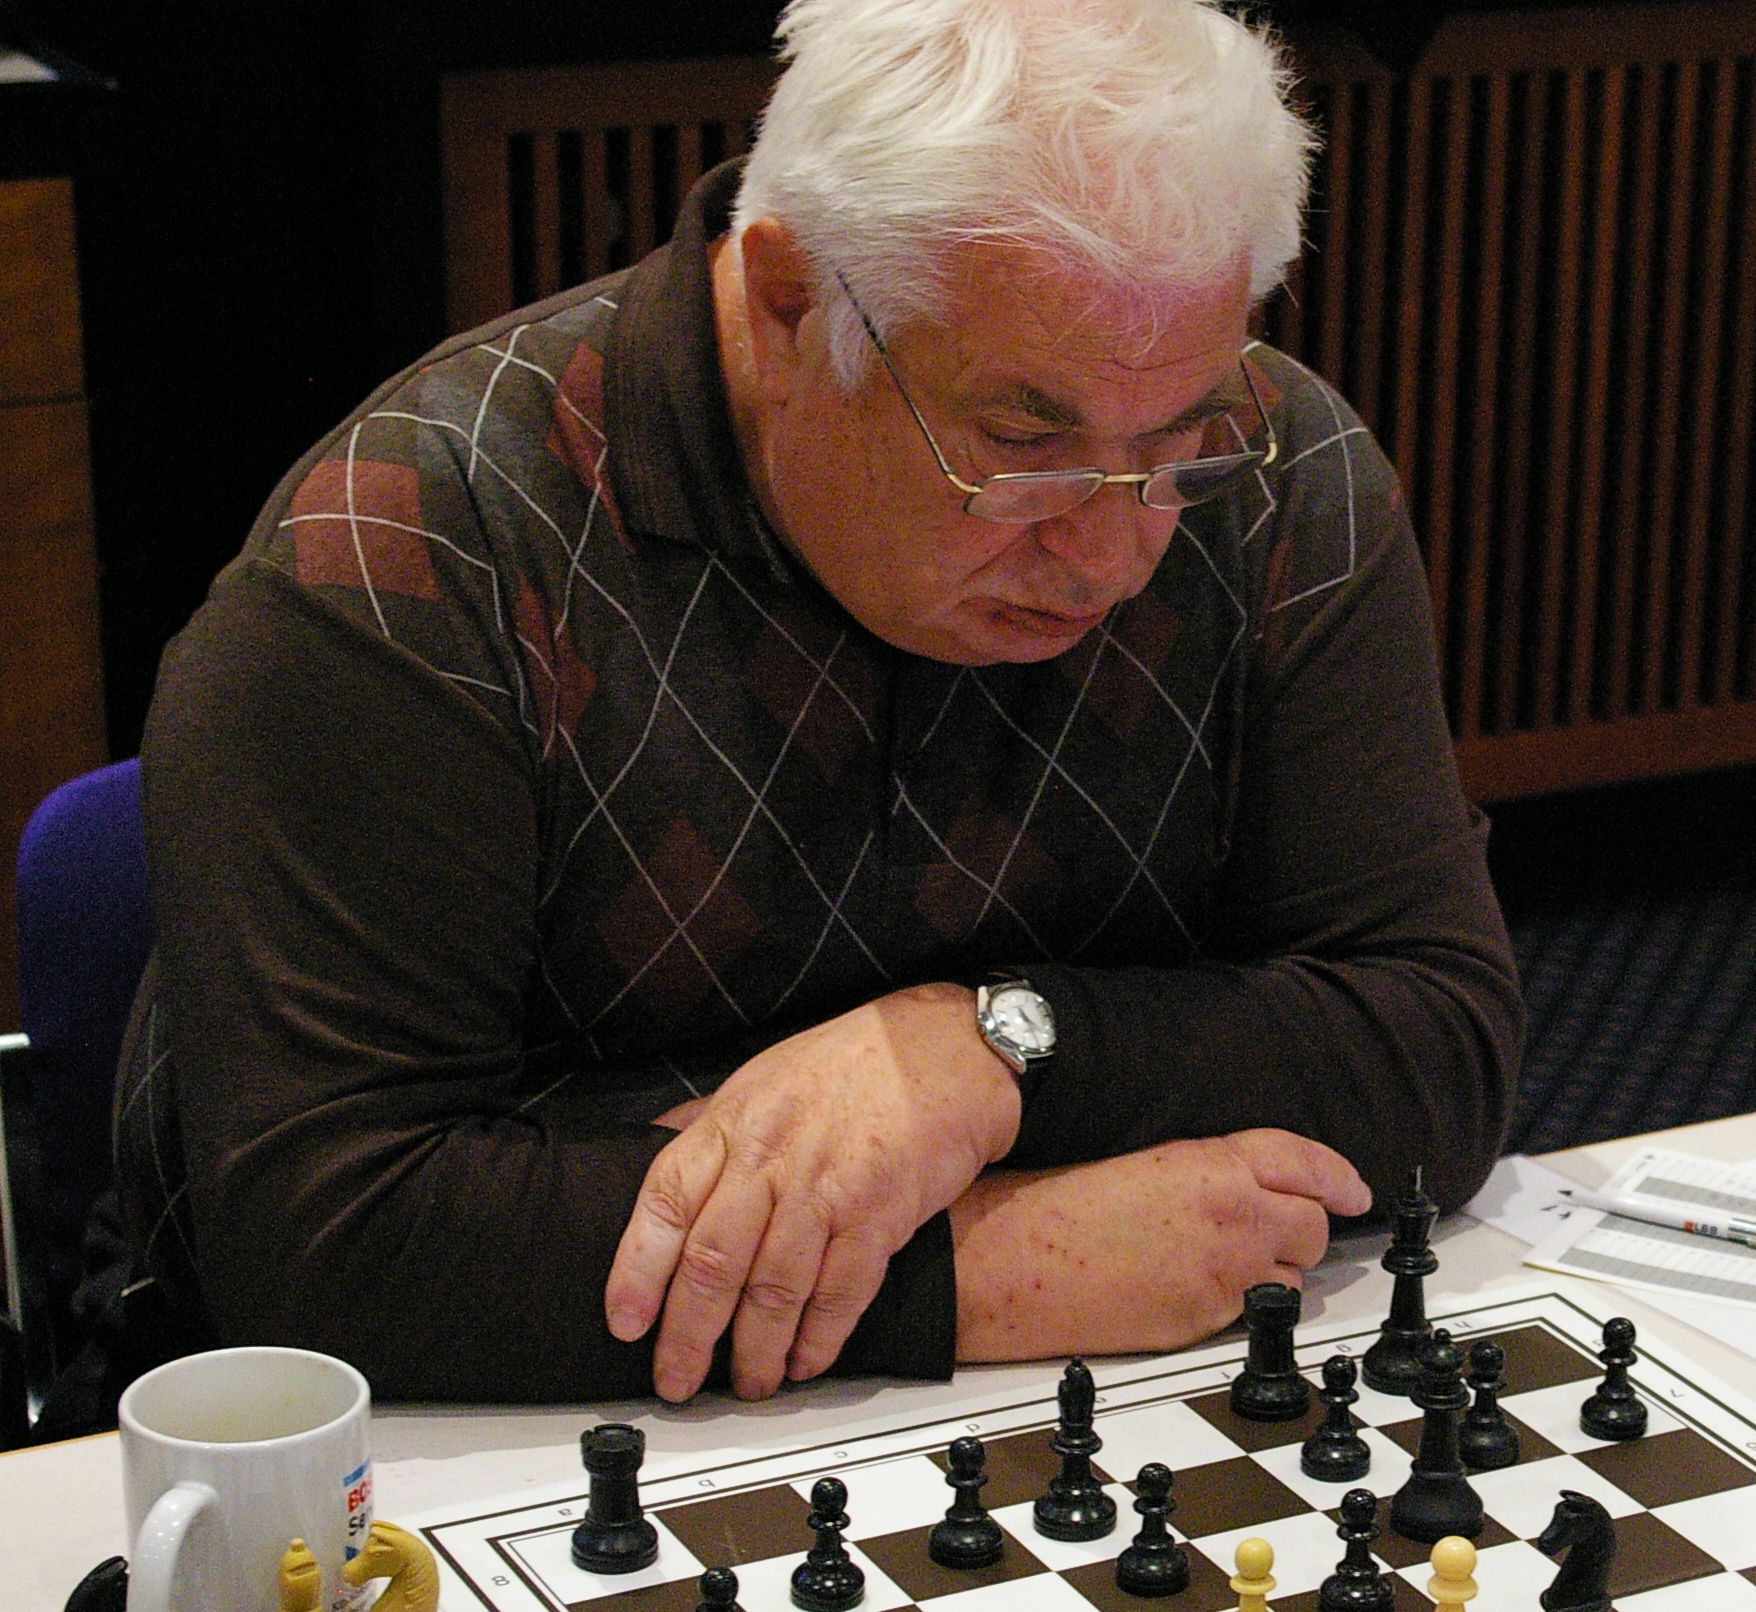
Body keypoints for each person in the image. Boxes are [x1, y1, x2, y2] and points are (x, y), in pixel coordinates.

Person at [115, 0, 1521, 1406]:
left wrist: (994, 1053)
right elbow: (325, 1237)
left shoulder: (1280, 476)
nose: (1112, 550)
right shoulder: (416, 554)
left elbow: (1438, 1041)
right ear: (790, 303)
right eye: (1021, 443)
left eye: (1177, 439)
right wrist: (982, 1268)